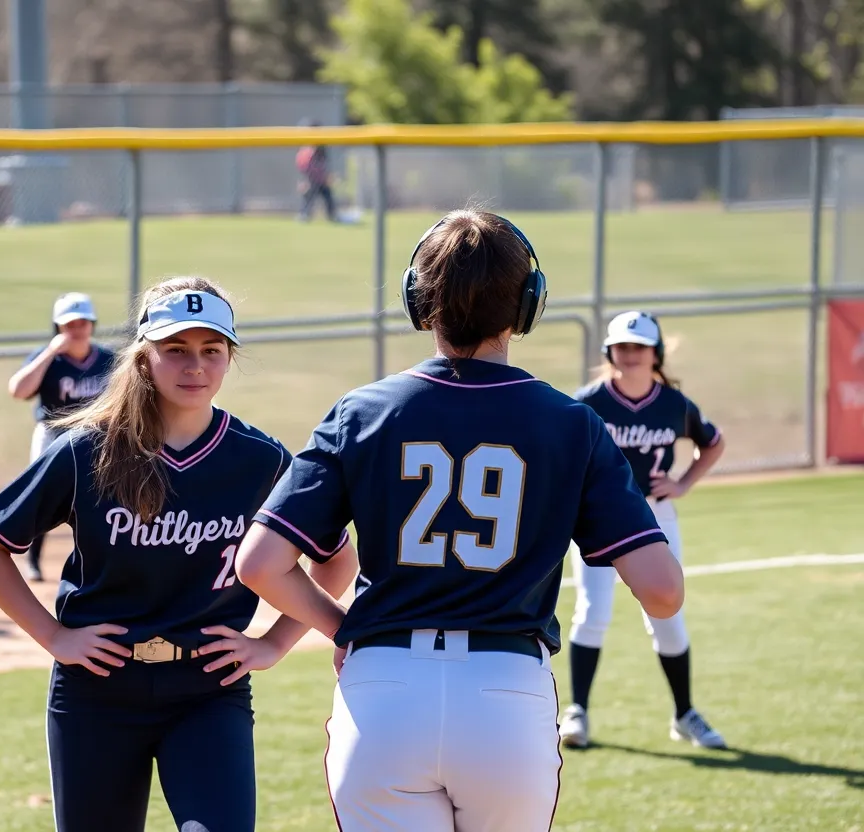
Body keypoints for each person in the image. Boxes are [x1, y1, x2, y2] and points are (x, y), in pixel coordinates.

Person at [234, 210, 685, 832]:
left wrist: (345, 629)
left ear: (419, 301)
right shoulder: (570, 423)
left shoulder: (362, 412)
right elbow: (663, 593)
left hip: (383, 689)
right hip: (506, 690)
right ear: (527, 306)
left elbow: (260, 564)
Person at [0, 276, 358, 832]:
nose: (194, 365)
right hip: (96, 693)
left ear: (228, 359)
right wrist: (54, 636)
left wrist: (274, 643)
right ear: (144, 358)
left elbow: (336, 558)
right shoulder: (89, 448)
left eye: (211, 350)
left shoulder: (259, 460)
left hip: (207, 692)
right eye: (175, 349)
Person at [558, 311, 728, 751]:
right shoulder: (589, 400)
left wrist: (684, 482)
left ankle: (685, 713)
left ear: (656, 354)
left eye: (639, 347)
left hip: (655, 514)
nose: (630, 355)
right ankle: (577, 711)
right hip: (597, 519)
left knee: (667, 616)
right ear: (609, 352)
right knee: (592, 612)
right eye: (622, 347)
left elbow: (713, 442)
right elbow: (562, 455)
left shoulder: (673, 403)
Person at [6, 291, 116, 582]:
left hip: (95, 436)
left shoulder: (107, 359)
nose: (76, 330)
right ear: (58, 328)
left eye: (82, 323)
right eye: (69, 324)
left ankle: (98, 563)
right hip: (53, 434)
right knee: (43, 496)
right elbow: (18, 390)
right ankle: (33, 561)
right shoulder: (49, 360)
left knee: (101, 499)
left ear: (92, 324)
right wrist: (49, 353)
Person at [296, 117, 337, 222]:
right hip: (311, 178)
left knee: (328, 197)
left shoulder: (321, 146)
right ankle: (304, 215)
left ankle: (332, 215)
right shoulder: (306, 146)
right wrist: (303, 179)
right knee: (308, 197)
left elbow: (325, 162)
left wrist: (327, 175)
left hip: (321, 178)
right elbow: (302, 163)